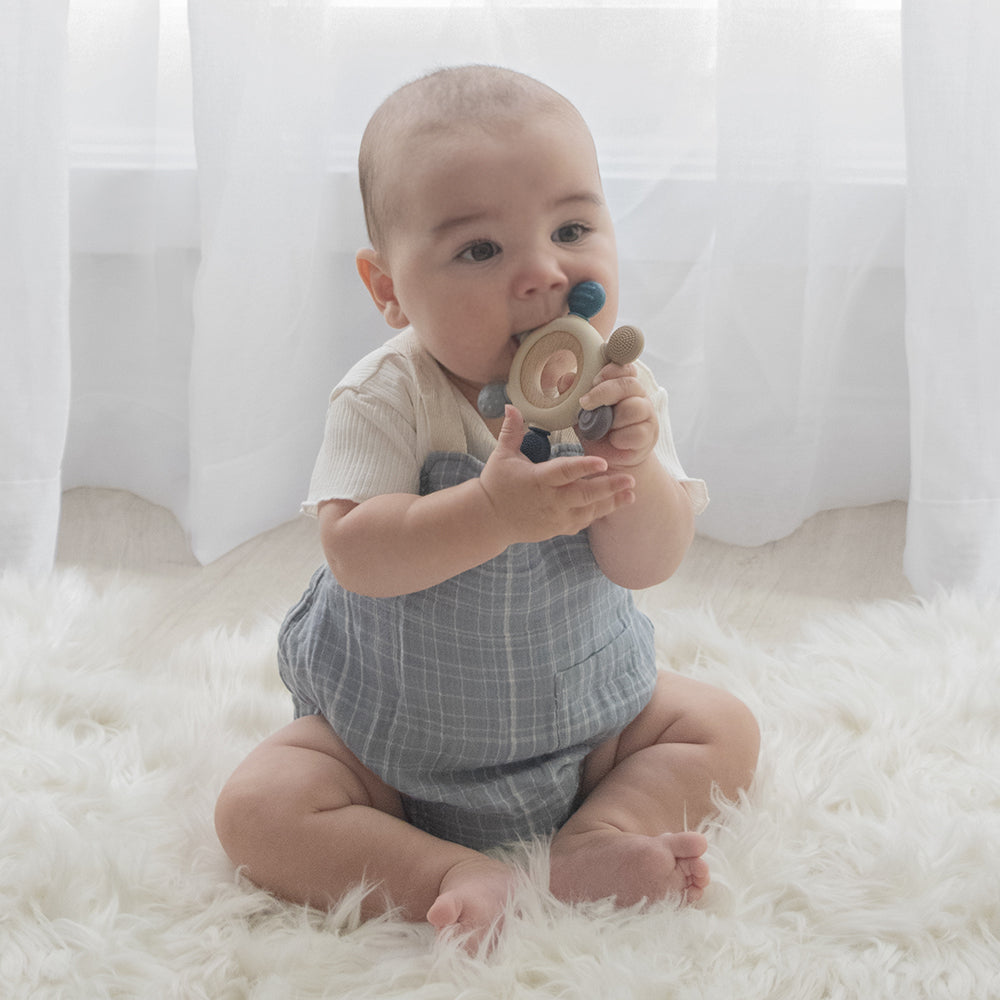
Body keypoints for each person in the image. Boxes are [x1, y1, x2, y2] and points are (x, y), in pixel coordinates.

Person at [214, 65, 760, 952]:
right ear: (387, 286)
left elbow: (647, 562)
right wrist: (491, 513)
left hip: (588, 730)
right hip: (388, 748)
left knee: (721, 728)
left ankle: (595, 835)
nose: (545, 274)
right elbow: (356, 553)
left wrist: (636, 463)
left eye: (572, 228)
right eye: (480, 250)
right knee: (257, 809)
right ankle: (446, 871)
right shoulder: (388, 396)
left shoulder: (615, 396)